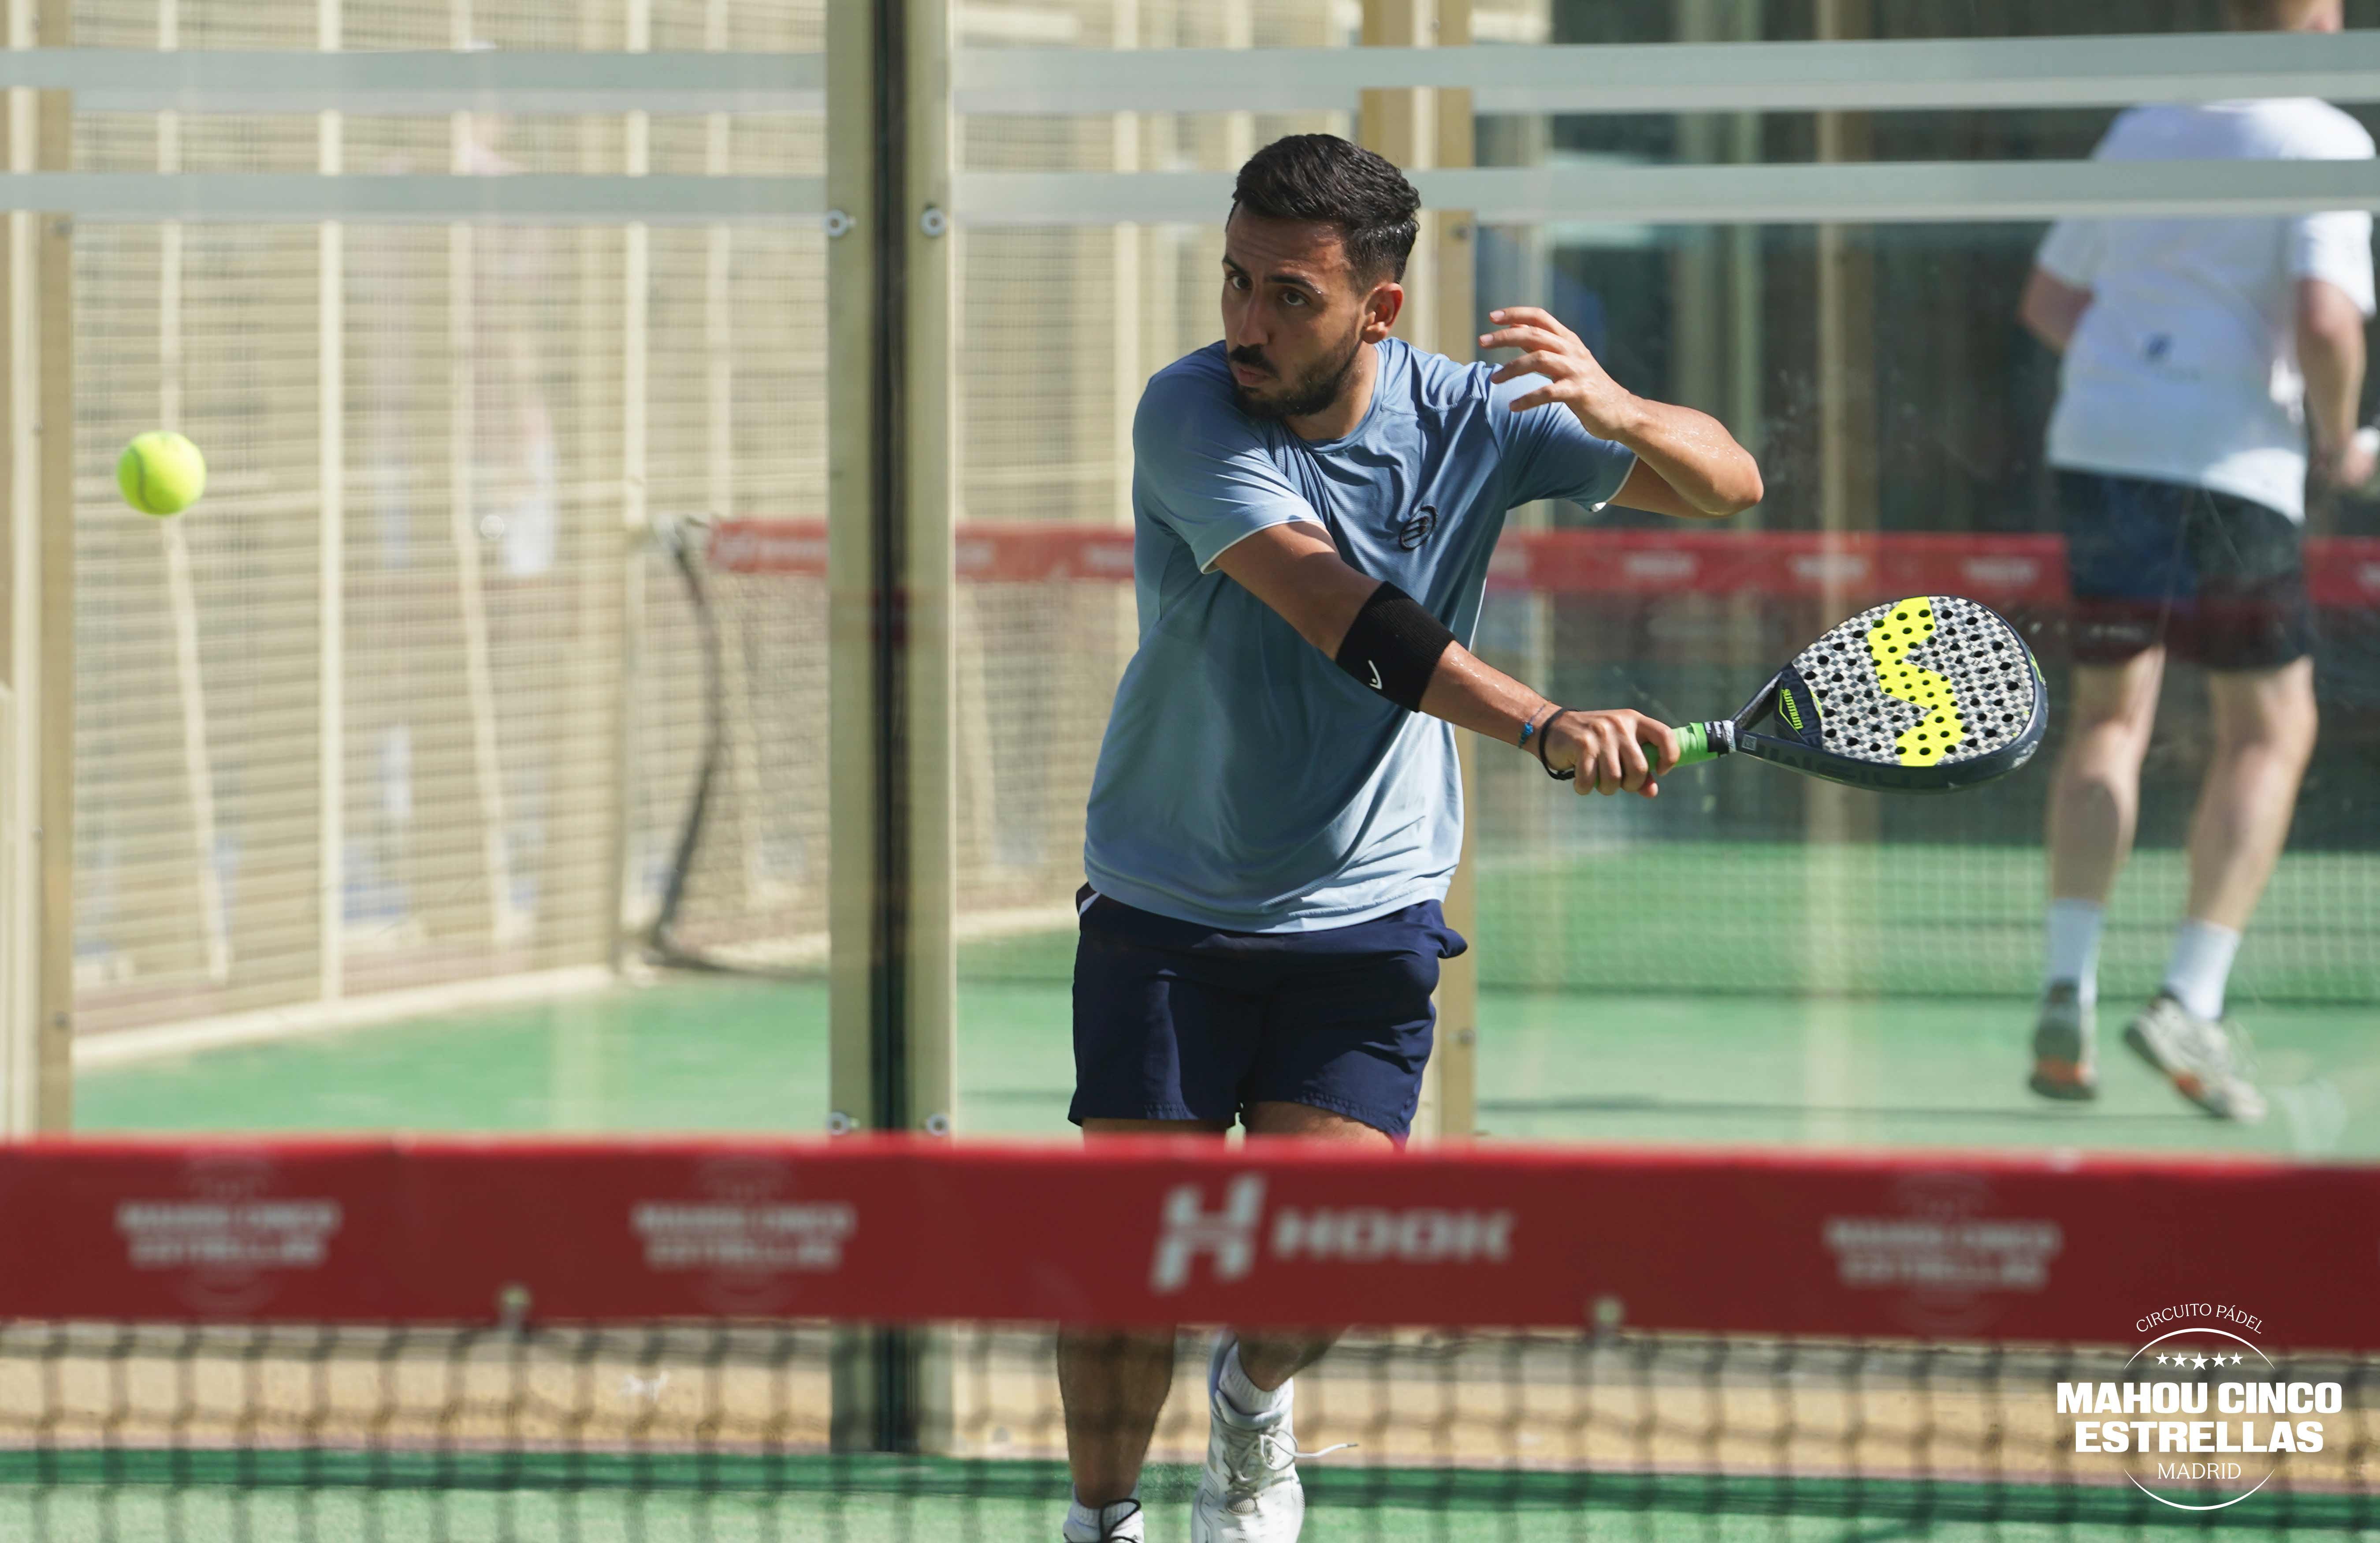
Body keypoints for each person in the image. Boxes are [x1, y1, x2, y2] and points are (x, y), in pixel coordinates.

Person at [1057, 134, 1761, 1543]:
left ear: (1377, 308)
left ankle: (1251, 1405)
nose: (1247, 320)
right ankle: (1104, 1522)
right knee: (1133, 1268)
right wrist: (1545, 721)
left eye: (1290, 296)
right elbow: (1343, 616)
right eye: (1236, 280)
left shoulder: (1473, 415)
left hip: (1365, 904)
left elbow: (1727, 483)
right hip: (1168, 899)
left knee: (1328, 1256)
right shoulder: (1190, 411)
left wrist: (1622, 412)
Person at [2016, 0, 2373, 1122]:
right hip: (2232, 467)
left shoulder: (2143, 127)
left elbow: (2051, 303)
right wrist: (2336, 442)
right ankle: (2191, 998)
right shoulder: (2323, 138)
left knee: (2109, 718)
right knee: (2269, 727)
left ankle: (2067, 987)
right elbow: (2327, 321)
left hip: (2102, 444)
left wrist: (2143, 371)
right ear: (2315, 18)